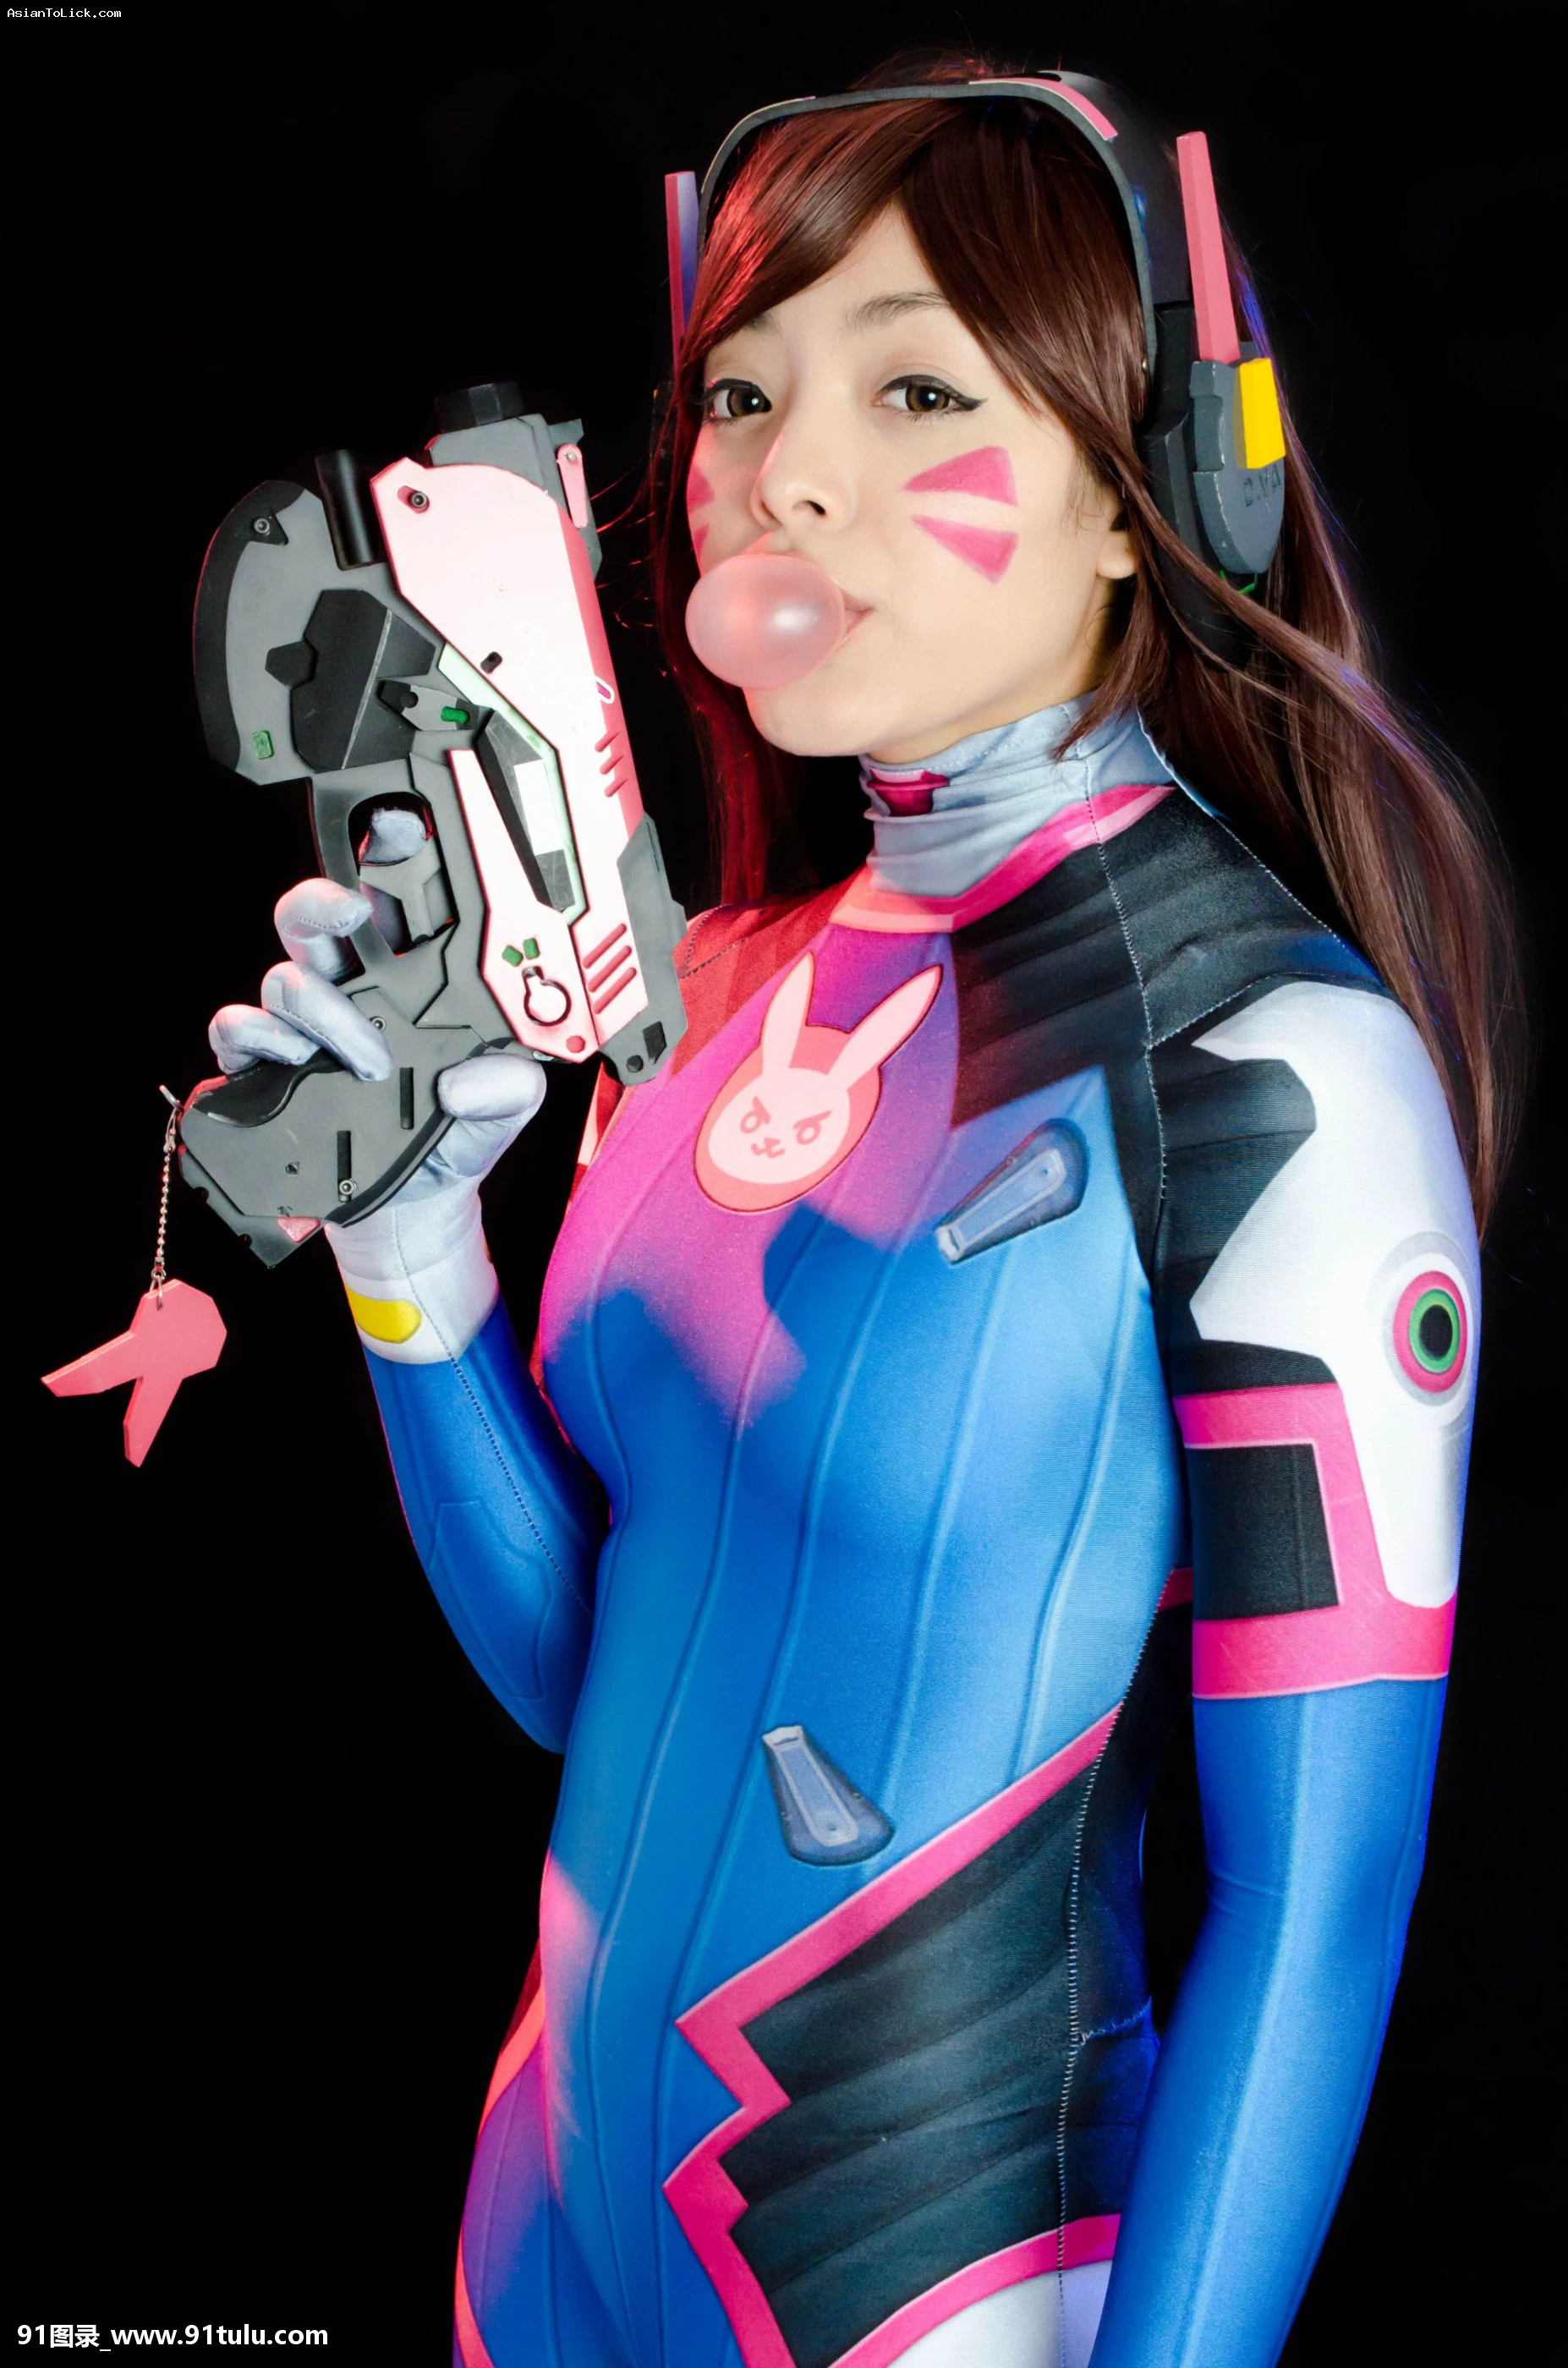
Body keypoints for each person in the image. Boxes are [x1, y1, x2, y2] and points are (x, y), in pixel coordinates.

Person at [205, 52, 1519, 2368]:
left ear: (1143, 491)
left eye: (918, 389)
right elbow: (604, 1680)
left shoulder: (1274, 1079)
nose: (785, 474)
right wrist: (413, 1258)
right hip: (537, 2232)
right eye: (740, 391)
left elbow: (1319, 1906)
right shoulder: (698, 996)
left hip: (927, 2283)